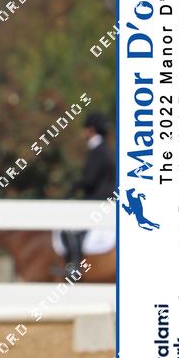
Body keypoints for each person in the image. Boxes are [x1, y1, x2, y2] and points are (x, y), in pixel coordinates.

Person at [55, 111, 116, 271]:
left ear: (91, 130)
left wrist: (71, 190)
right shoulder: (106, 149)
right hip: (104, 199)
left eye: (85, 129)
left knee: (70, 227)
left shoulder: (98, 151)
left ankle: (74, 267)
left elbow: (89, 179)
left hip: (98, 201)